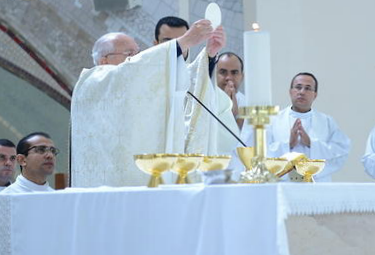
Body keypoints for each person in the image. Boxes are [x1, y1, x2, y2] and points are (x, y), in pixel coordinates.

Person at [71, 19, 224, 187]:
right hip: (110, 185)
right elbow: (130, 72)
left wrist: (207, 58)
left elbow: (182, 90)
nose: (136, 58)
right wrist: (184, 42)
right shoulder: (93, 82)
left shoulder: (141, 86)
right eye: (129, 54)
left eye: (138, 53)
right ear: (103, 60)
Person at [153, 18, 240, 160]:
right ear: (155, 44)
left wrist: (209, 56)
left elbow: (197, 76)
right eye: (168, 42)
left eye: (183, 41)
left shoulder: (191, 78)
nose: (178, 47)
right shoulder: (144, 77)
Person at [264, 72, 351, 182]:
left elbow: (340, 152)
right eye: (298, 87)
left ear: (315, 95)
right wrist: (288, 144)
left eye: (308, 88)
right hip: (282, 184)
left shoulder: (326, 121)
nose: (302, 92)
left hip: (317, 185)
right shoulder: (273, 120)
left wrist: (311, 144)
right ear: (290, 92)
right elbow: (262, 153)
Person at [215, 52, 246, 129]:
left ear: (242, 77)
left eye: (234, 72)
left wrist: (236, 118)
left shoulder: (248, 105)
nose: (229, 77)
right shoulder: (203, 102)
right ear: (214, 75)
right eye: (223, 72)